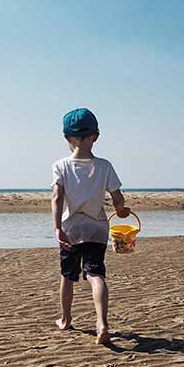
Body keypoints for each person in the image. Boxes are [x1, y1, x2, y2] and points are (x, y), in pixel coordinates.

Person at [51, 108, 130, 345]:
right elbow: (117, 197)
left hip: (71, 229)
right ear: (95, 136)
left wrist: (57, 228)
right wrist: (120, 211)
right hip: (97, 229)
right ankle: (102, 324)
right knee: (96, 274)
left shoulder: (61, 166)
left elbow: (57, 198)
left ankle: (65, 319)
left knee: (68, 275)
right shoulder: (104, 166)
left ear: (67, 138)